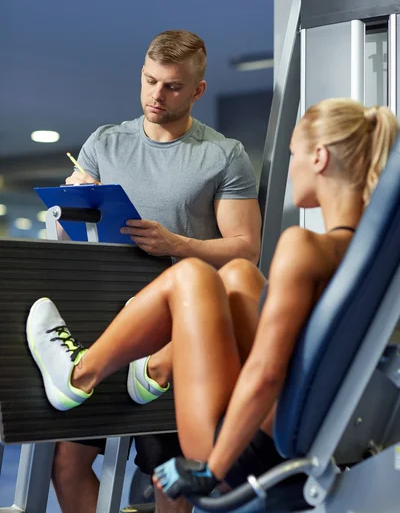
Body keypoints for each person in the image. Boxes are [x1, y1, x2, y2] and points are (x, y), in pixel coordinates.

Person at [27, 98, 398, 503]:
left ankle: (79, 375)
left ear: (320, 157)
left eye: (294, 154)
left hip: (245, 451)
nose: (292, 168)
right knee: (236, 274)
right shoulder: (368, 257)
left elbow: (266, 372)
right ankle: (149, 368)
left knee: (189, 275)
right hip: (304, 432)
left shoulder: (304, 247)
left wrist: (210, 469)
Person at [51, 29, 261, 513]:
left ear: (197, 91)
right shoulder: (104, 143)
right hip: (108, 322)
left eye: (171, 86)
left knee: (167, 478)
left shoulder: (223, 155)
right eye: (149, 82)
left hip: (175, 335)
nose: (156, 95)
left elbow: (246, 251)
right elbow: (66, 241)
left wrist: (175, 243)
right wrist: (72, 203)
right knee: (68, 462)